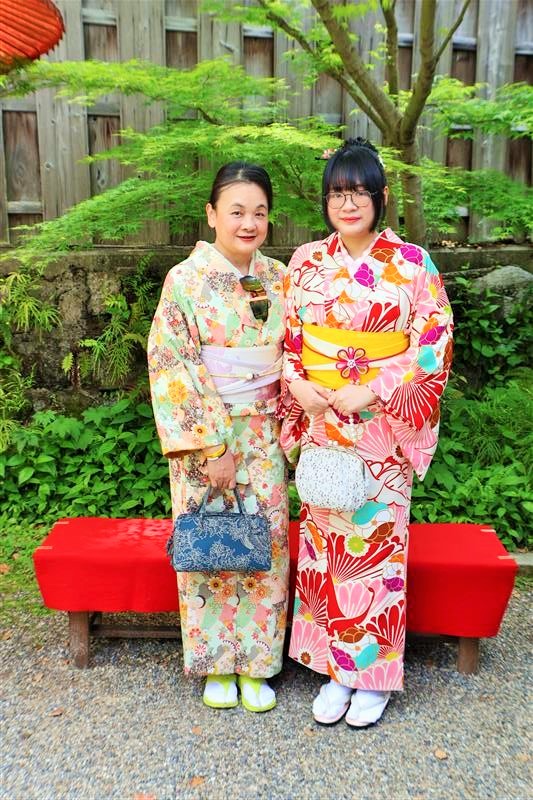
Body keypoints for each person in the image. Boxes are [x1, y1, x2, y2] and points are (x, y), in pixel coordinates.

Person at [278, 138, 453, 727]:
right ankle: (334, 670)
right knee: (325, 549)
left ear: (380, 197)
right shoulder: (306, 261)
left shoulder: (413, 264)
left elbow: (433, 343)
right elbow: (290, 340)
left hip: (382, 432)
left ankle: (371, 678)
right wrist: (297, 383)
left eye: (358, 192)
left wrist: (375, 388)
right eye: (337, 193)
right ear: (325, 201)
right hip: (323, 423)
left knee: (375, 552)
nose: (347, 204)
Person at [148, 162, 289, 713]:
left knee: (265, 543)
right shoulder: (185, 281)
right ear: (211, 215)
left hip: (265, 429)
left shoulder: (279, 276)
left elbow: (295, 354)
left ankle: (257, 664)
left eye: (259, 212)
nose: (248, 223)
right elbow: (172, 364)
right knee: (211, 545)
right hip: (207, 436)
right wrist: (213, 445)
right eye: (236, 211)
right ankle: (215, 663)